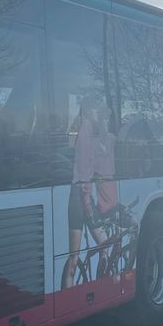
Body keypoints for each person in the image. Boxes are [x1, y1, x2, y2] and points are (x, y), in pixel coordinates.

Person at [61, 96, 117, 289]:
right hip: (81, 197)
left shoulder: (85, 130)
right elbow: (85, 170)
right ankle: (102, 285)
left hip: (79, 196)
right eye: (95, 110)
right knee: (102, 245)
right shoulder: (85, 130)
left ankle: (70, 294)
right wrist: (88, 203)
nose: (97, 113)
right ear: (87, 111)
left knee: (74, 258)